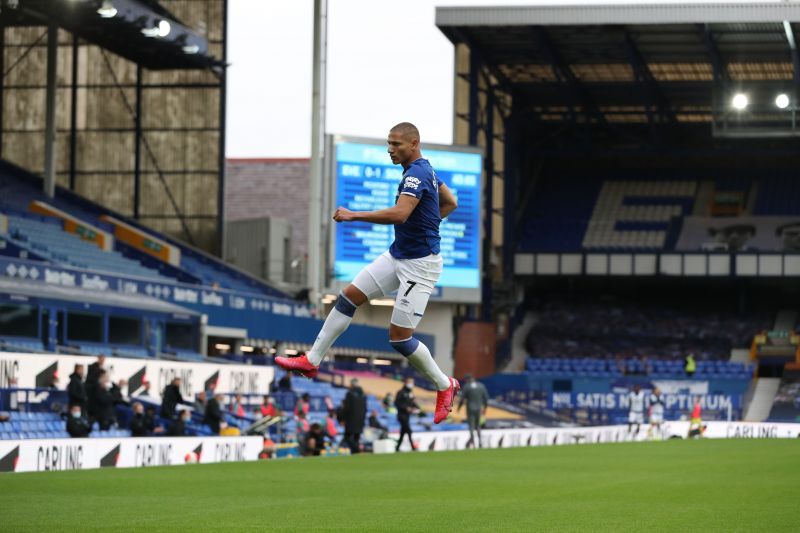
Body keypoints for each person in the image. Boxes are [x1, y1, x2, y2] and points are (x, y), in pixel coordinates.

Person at [276, 122, 460, 423]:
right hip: (398, 254)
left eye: (396, 144)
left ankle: (445, 384)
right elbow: (450, 202)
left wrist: (353, 214)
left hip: (419, 265)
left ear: (414, 143)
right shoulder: (426, 170)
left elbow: (400, 214)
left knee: (400, 339)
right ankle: (311, 361)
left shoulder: (417, 174)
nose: (390, 150)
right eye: (388, 144)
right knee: (348, 297)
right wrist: (429, 223)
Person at [458, 374, 488, 449]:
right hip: (479, 408)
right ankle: (480, 442)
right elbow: (486, 398)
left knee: (471, 426)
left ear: (467, 379)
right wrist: (485, 408)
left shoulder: (467, 387)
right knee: (477, 425)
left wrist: (459, 408)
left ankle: (473, 443)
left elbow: (462, 399)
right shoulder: (481, 386)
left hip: (470, 408)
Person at [340, 379, 367, 454]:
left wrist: (343, 419)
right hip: (361, 420)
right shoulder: (363, 395)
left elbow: (347, 408)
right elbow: (365, 409)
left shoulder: (349, 394)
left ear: (351, 385)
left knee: (347, 437)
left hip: (351, 420)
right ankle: (355, 453)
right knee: (356, 438)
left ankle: (357, 450)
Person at [394, 377, 420, 452]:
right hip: (401, 415)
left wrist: (417, 408)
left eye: (412, 382)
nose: (411, 384)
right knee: (409, 430)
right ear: (405, 383)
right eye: (410, 382)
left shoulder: (410, 392)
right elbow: (396, 403)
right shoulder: (401, 392)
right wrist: (406, 408)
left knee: (403, 432)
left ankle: (397, 448)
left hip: (407, 415)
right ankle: (413, 447)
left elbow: (412, 402)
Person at [85, 356, 105, 422]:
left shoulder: (100, 368)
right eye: (102, 359)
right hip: (91, 395)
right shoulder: (93, 367)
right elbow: (91, 379)